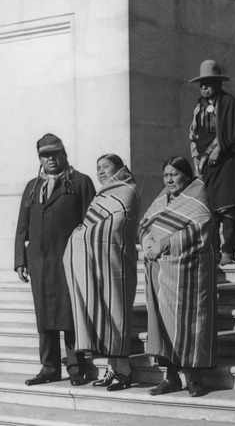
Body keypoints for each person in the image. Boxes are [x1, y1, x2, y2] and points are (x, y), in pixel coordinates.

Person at [15, 133, 95, 386]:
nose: (50, 159)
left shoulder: (80, 182)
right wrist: (20, 259)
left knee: (69, 314)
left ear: (64, 154)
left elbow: (91, 224)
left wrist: (87, 258)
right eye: (45, 155)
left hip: (69, 260)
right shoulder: (32, 187)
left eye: (55, 153)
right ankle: (49, 367)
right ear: (40, 158)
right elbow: (22, 226)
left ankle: (75, 366)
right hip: (39, 261)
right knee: (45, 315)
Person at [141, 157, 217, 398]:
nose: (170, 179)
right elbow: (144, 225)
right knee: (164, 326)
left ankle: (194, 379)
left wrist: (164, 243)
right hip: (161, 273)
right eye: (166, 175)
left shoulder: (198, 197)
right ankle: (171, 377)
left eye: (174, 174)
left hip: (189, 274)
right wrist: (148, 244)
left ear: (186, 175)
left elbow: (200, 229)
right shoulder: (161, 199)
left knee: (189, 325)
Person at [63, 154, 138, 391]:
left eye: (106, 167)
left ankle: (124, 371)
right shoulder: (101, 195)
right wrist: (82, 235)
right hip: (98, 263)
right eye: (98, 168)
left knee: (116, 314)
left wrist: (81, 235)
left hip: (117, 263)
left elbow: (117, 223)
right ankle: (112, 369)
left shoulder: (127, 190)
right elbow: (90, 226)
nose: (101, 171)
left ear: (119, 168)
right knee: (103, 315)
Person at [188, 59, 235, 265]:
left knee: (230, 211)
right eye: (202, 83)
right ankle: (213, 250)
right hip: (208, 168)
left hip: (229, 163)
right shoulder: (199, 107)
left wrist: (220, 148)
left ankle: (228, 251)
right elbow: (194, 135)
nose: (204, 87)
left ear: (218, 84)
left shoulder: (230, 103)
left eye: (209, 83)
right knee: (210, 211)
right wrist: (199, 159)